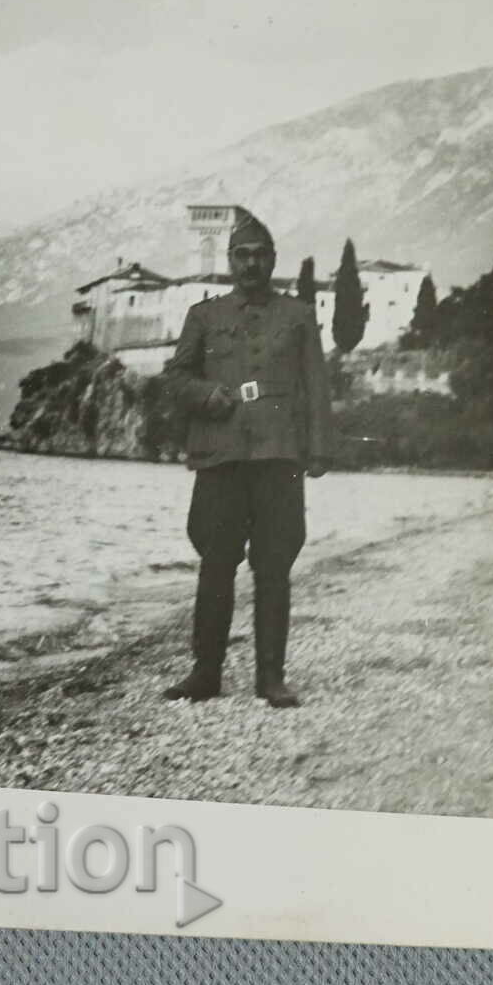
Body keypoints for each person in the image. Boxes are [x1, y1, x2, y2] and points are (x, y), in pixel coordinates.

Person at [162, 211, 333, 707]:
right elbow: (174, 380)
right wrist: (205, 394)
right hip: (221, 458)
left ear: (273, 260)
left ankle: (271, 679)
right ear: (230, 260)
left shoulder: (298, 315)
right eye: (242, 254)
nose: (251, 263)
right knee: (216, 563)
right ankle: (205, 674)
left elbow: (316, 385)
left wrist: (319, 449)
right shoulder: (204, 315)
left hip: (279, 457)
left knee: (275, 565)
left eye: (260, 254)